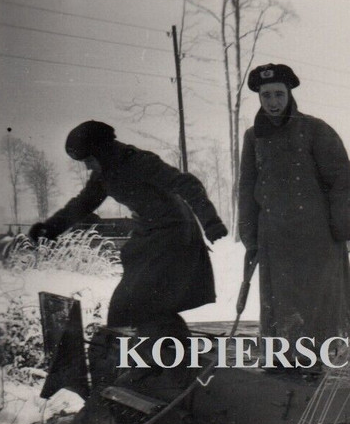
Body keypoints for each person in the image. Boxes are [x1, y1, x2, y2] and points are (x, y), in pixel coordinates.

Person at [31, 120, 227, 341]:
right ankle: (149, 349)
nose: (88, 167)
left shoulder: (139, 162)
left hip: (174, 233)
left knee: (140, 300)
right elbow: (82, 204)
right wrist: (50, 228)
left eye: (89, 160)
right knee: (132, 304)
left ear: (101, 151)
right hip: (148, 233)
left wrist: (211, 221)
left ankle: (163, 349)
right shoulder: (103, 175)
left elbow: (187, 184)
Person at [238, 63, 350, 346]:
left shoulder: (315, 129)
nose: (273, 102)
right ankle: (283, 357)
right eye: (266, 95)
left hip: (316, 237)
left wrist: (342, 226)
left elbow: (344, 178)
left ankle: (318, 357)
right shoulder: (253, 137)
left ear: (289, 93)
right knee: (280, 306)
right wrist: (250, 236)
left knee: (317, 304)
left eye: (278, 94)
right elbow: (247, 188)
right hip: (275, 238)